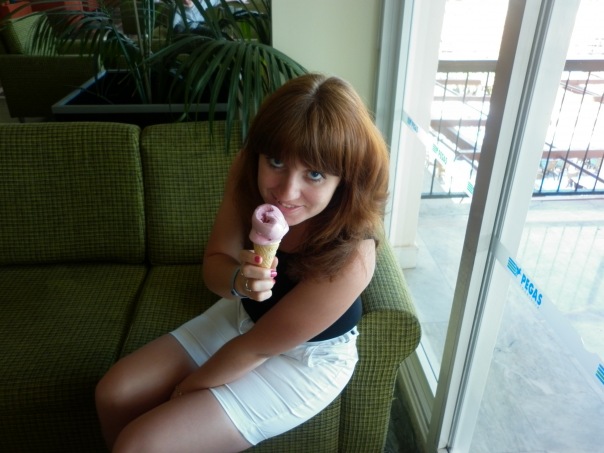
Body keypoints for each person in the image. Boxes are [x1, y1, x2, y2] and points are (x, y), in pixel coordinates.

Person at [95, 73, 390, 452]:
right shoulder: (246, 173)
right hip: (244, 315)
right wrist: (240, 281)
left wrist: (183, 392)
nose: (286, 191)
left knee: (141, 443)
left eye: (314, 174)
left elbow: (257, 348)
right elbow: (215, 267)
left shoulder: (354, 254)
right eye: (276, 161)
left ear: (344, 181)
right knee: (113, 393)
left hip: (306, 357)